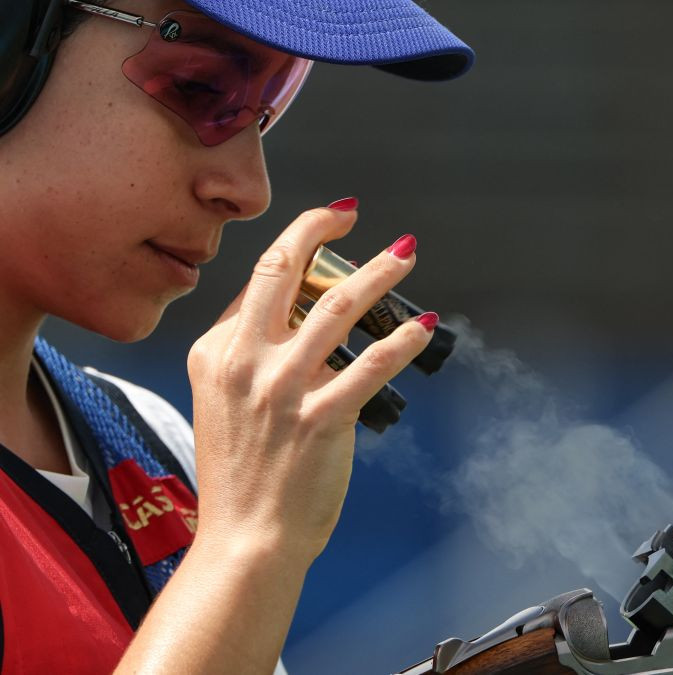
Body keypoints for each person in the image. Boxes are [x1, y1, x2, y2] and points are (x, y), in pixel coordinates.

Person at [0, 0, 473, 671]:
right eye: (201, 88)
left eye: (270, 105)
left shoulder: (157, 439)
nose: (250, 190)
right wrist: (250, 541)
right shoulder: (226, 507)